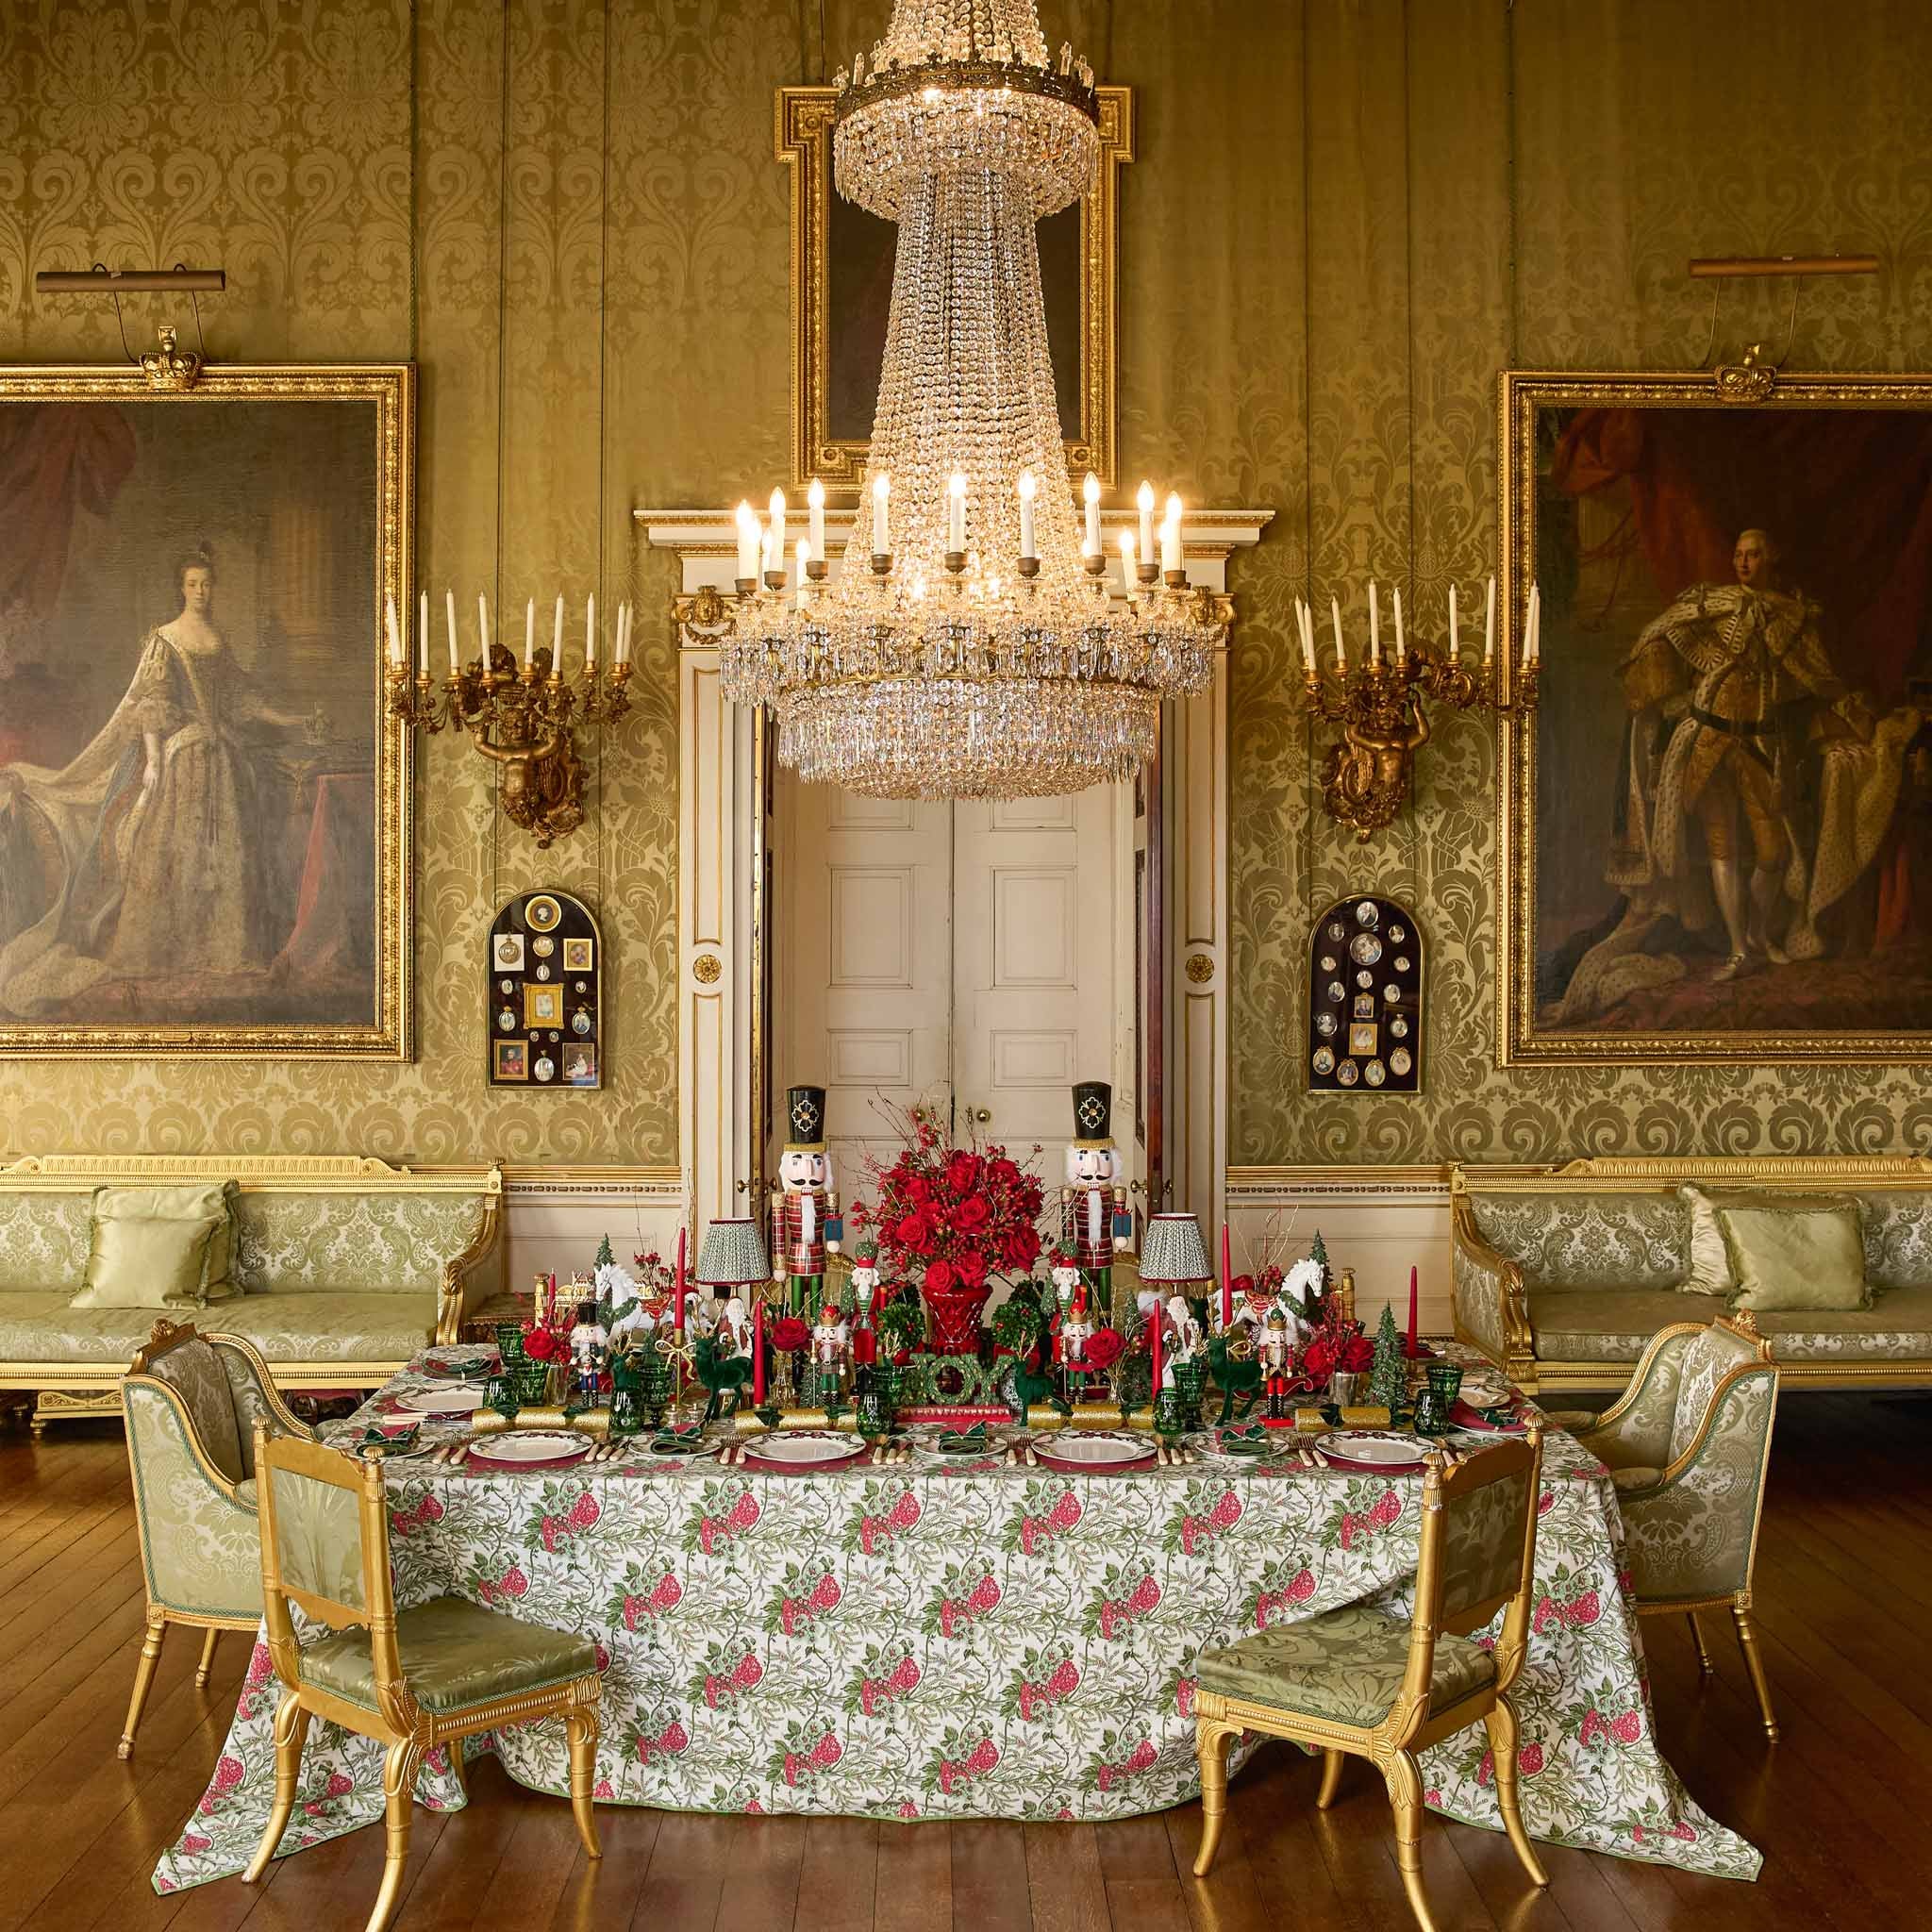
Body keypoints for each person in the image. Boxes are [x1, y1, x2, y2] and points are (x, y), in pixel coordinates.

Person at [0, 541, 324, 1017]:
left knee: (225, 852)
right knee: (172, 850)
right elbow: (151, 705)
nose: (200, 591)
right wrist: (153, 761)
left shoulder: (218, 640)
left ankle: (220, 949)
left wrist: (293, 720)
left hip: (222, 761)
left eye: (206, 584)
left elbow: (241, 699)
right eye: (192, 584)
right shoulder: (165, 640)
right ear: (181, 588)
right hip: (182, 760)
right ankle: (166, 951)